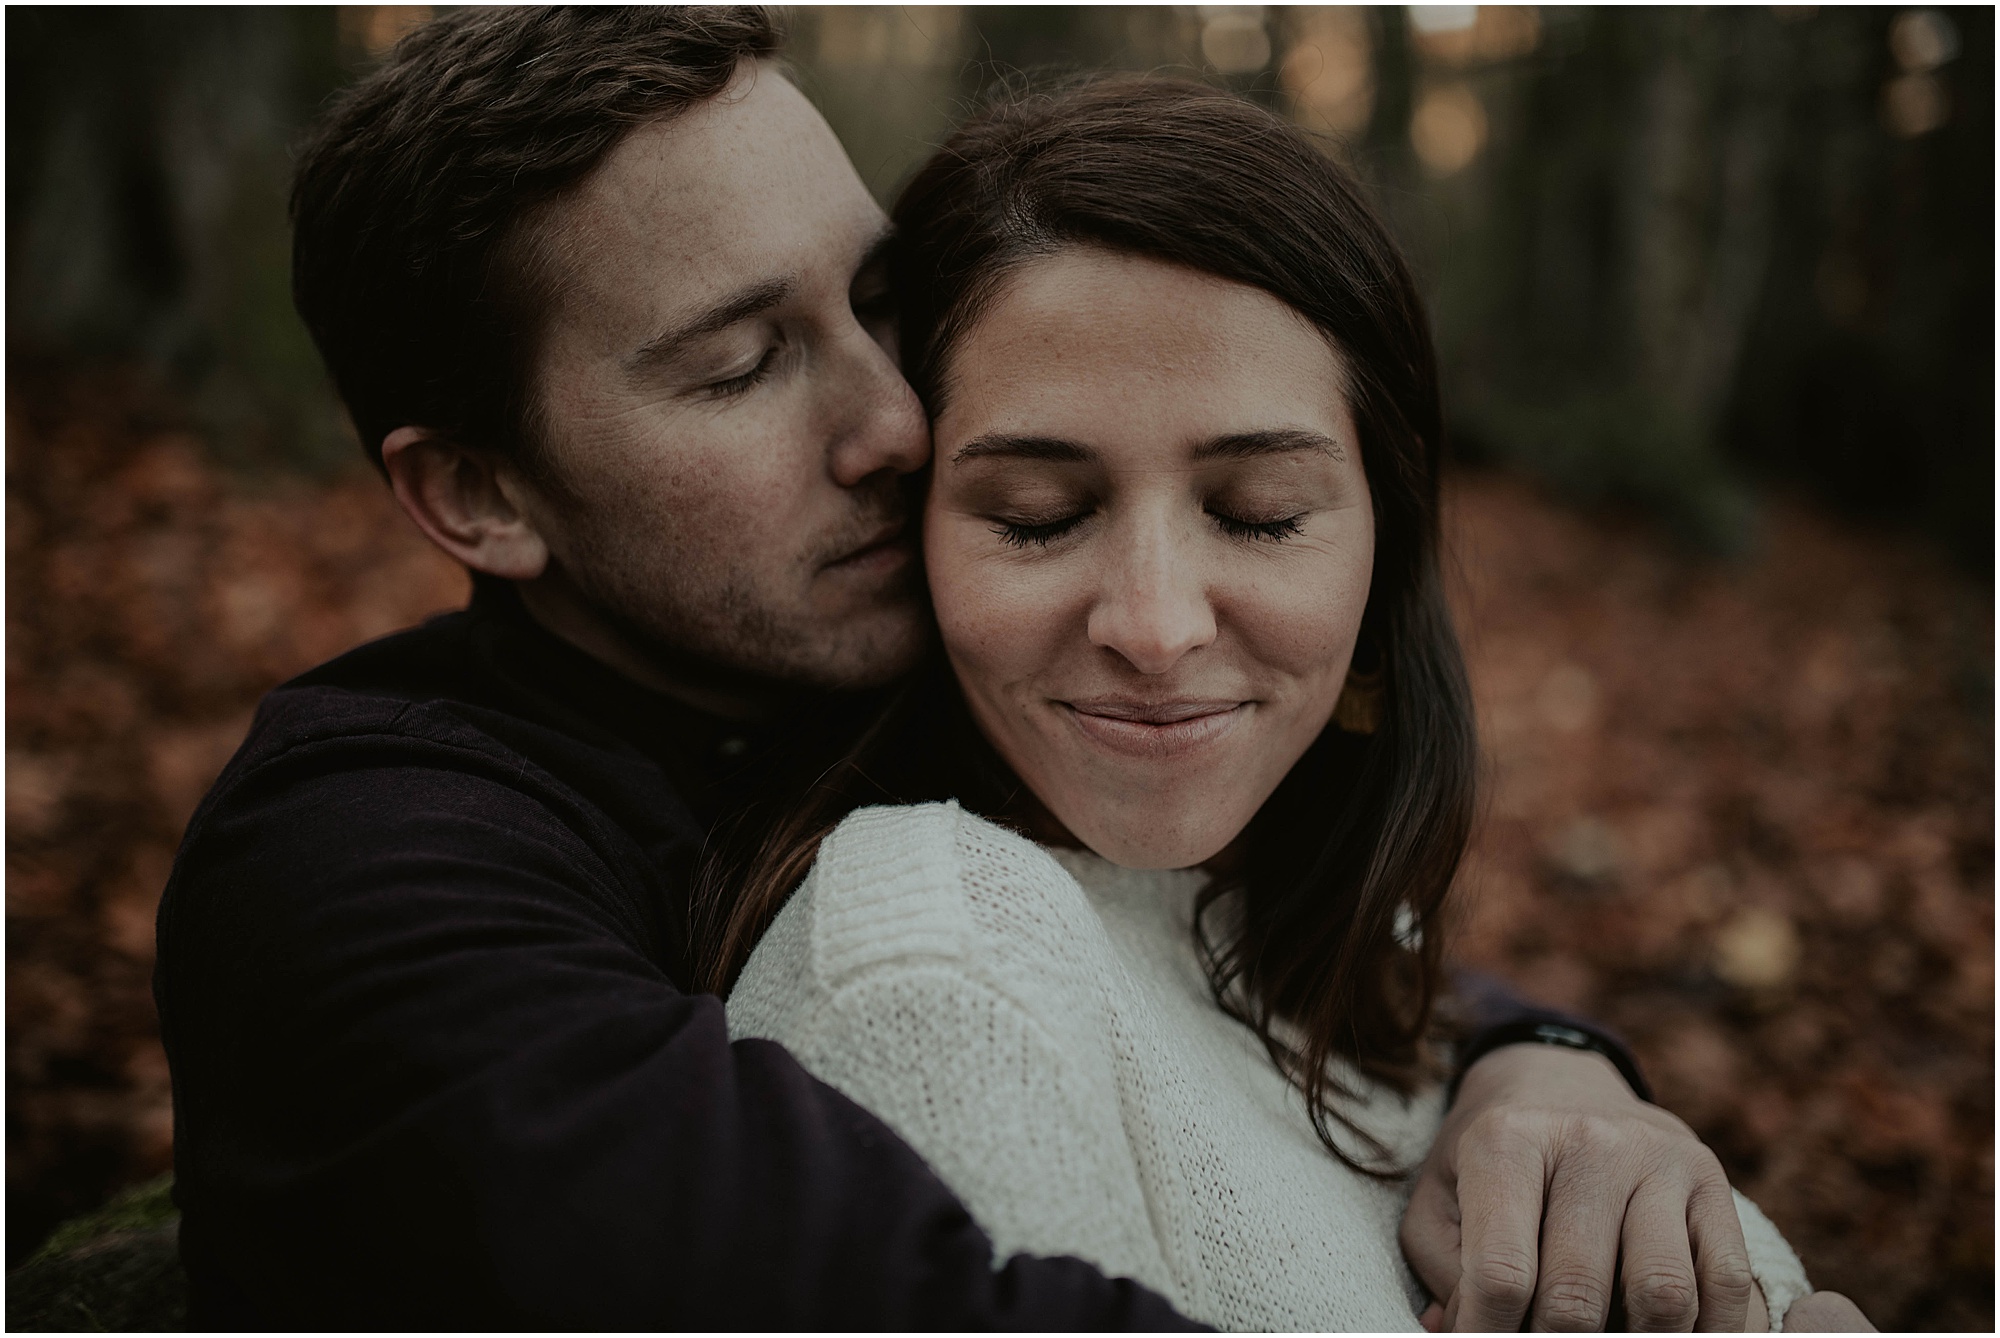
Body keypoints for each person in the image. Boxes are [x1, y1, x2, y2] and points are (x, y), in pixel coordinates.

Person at [152, 7, 1864, 1330]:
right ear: (479, 491)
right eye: (745, 365)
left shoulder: (887, 669)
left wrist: (1543, 1058)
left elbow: (1231, 939)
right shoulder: (365, 863)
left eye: (880, 303)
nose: (898, 421)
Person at [715, 74, 1863, 1332]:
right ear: (911, 533)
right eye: (1037, 519)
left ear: (1382, 548)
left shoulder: (1304, 909)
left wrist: (1549, 1068)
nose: (1154, 628)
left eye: (1257, 513)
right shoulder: (935, 971)